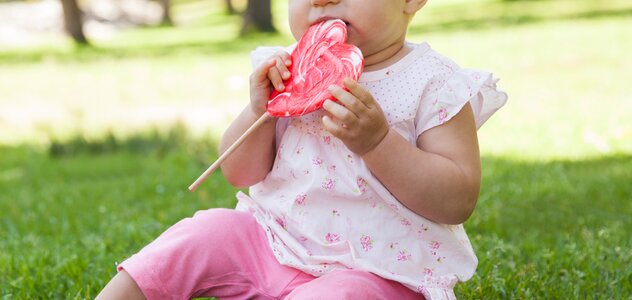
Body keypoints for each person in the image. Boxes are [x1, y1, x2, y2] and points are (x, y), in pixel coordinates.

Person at [96, 0, 507, 299]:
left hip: (377, 270)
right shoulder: (288, 68)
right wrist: (262, 109)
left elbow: (456, 199)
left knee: (342, 294)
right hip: (274, 241)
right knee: (202, 232)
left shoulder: (431, 82)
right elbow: (240, 173)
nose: (320, 0)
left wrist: (379, 143)